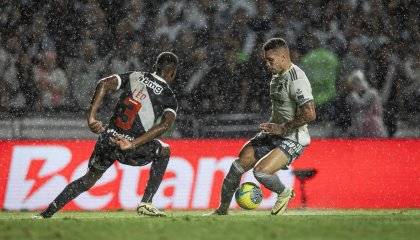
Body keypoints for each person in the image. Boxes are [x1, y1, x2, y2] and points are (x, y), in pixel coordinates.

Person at [36, 52, 179, 218]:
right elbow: (165, 125)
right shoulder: (168, 96)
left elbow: (103, 83)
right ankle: (146, 202)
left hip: (107, 138)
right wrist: (133, 143)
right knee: (164, 150)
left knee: (88, 180)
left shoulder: (135, 76)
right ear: (172, 73)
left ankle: (46, 214)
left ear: (156, 67)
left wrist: (91, 118)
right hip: (128, 146)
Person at [210, 38, 316, 215]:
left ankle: (284, 193)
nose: (267, 64)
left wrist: (283, 127)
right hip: (275, 133)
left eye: (270, 60)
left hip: (293, 137)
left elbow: (310, 114)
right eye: (265, 60)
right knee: (237, 167)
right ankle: (222, 210)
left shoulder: (297, 79)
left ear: (283, 56)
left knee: (261, 173)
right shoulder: (277, 76)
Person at [346, 70, 387, 137]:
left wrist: (354, 96)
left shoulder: (372, 93)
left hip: (374, 127)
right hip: (366, 128)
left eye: (355, 85)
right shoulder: (363, 94)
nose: (354, 88)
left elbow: (361, 104)